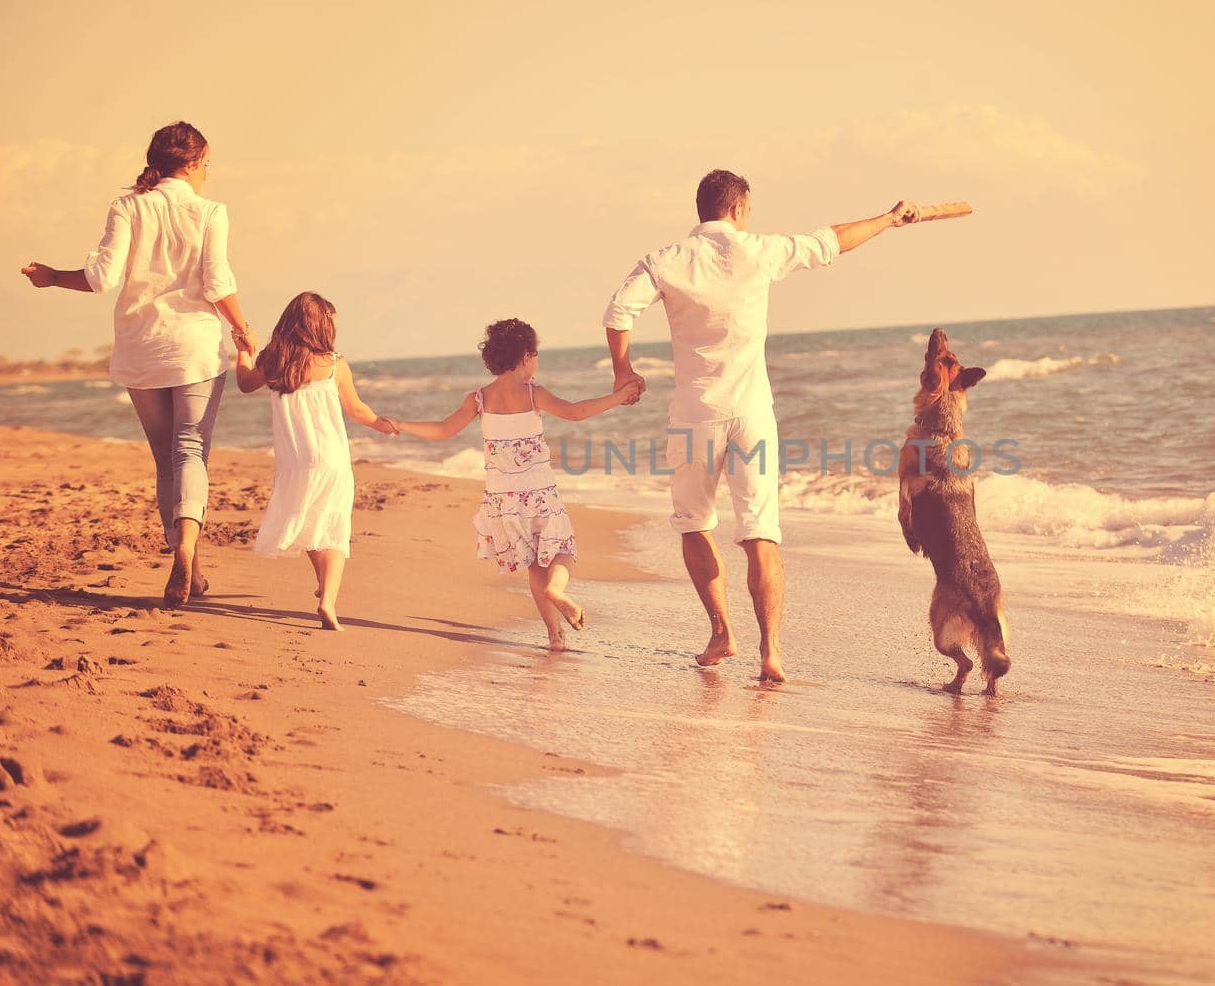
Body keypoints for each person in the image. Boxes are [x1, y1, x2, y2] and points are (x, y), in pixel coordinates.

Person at [603, 169, 922, 682]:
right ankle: (771, 651)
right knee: (760, 533)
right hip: (752, 415)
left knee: (693, 524)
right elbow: (832, 241)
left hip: (694, 416)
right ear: (738, 208)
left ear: (702, 209)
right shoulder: (758, 251)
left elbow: (619, 311)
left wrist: (624, 370)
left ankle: (721, 632)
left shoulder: (665, 261)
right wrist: (887, 218)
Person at [21, 122, 257, 608]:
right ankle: (189, 548)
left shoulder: (127, 206)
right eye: (207, 163)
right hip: (193, 348)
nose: (208, 172)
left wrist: (50, 278)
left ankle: (190, 561)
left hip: (141, 348)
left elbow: (101, 277)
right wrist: (242, 328)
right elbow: (216, 282)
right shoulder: (211, 212)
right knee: (190, 451)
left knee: (165, 458)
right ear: (191, 164)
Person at [394, 319, 638, 650]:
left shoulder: (479, 399)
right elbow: (576, 412)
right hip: (539, 493)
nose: (536, 361)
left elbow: (443, 429)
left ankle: (554, 635)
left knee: (535, 564)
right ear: (525, 357)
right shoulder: (532, 393)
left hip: (503, 500)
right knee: (562, 550)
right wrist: (618, 396)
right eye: (535, 354)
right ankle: (558, 591)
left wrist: (402, 424)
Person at [235, 292, 397, 630]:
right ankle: (328, 601)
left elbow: (244, 384)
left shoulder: (273, 360)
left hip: (294, 462)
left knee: (308, 525)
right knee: (335, 529)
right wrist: (382, 424)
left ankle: (324, 587)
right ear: (319, 326)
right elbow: (357, 410)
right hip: (332, 459)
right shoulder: (334, 364)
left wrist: (243, 350)